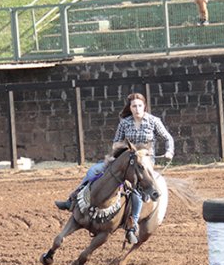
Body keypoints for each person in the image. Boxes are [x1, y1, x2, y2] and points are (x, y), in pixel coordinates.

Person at [55, 92, 174, 243]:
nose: (137, 109)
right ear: (130, 108)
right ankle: (72, 199)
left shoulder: (153, 121)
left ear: (144, 106)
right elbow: (116, 142)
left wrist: (169, 151)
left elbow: (167, 137)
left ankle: (132, 224)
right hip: (124, 158)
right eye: (134, 106)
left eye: (139, 105)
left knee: (136, 188)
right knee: (93, 171)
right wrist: (125, 149)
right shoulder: (125, 123)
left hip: (144, 161)